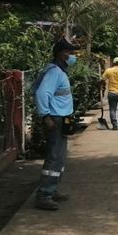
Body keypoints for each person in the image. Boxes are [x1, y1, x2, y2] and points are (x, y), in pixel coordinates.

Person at [33, 38, 78, 211]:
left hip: (61, 118)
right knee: (54, 157)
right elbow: (42, 94)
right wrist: (45, 116)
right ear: (62, 54)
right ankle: (44, 195)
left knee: (59, 157)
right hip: (55, 119)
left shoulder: (59, 70)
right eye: (70, 53)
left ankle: (52, 190)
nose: (73, 56)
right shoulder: (54, 72)